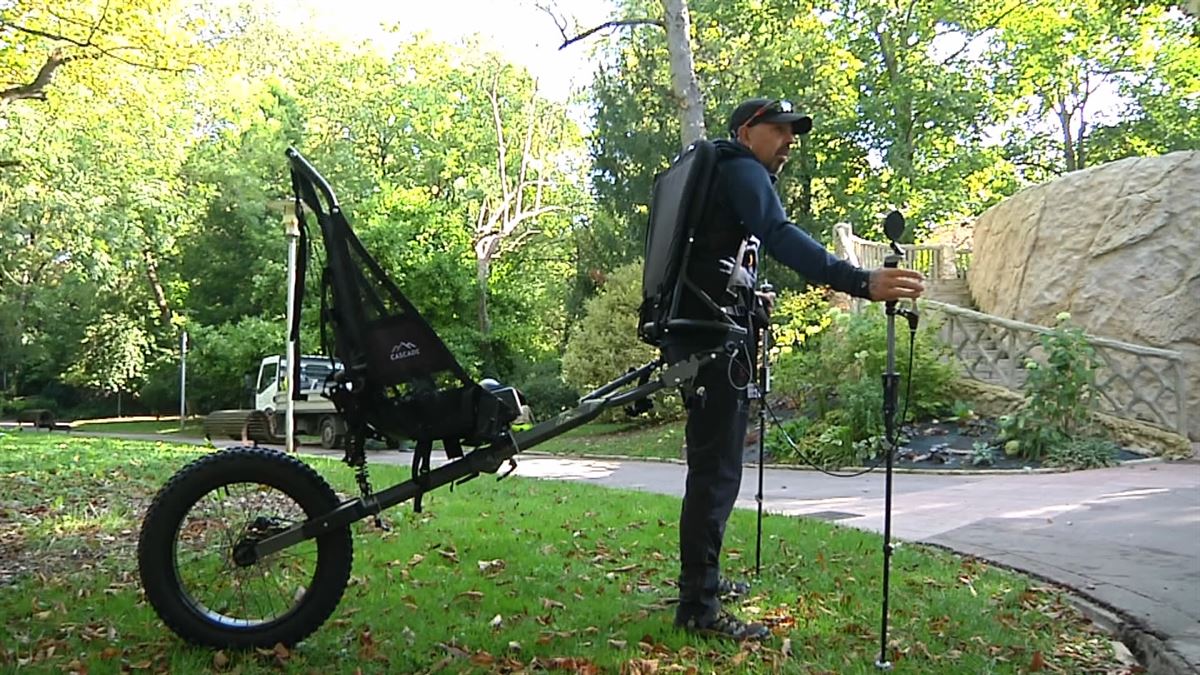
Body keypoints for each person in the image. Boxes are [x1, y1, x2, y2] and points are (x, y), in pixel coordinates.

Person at [667, 98, 925, 641]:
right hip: (711, 342)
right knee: (715, 474)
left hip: (699, 332)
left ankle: (704, 583)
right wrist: (860, 281)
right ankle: (698, 606)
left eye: (793, 132)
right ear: (747, 131)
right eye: (779, 130)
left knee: (714, 470)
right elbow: (780, 235)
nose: (789, 141)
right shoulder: (739, 166)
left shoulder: (720, 172)